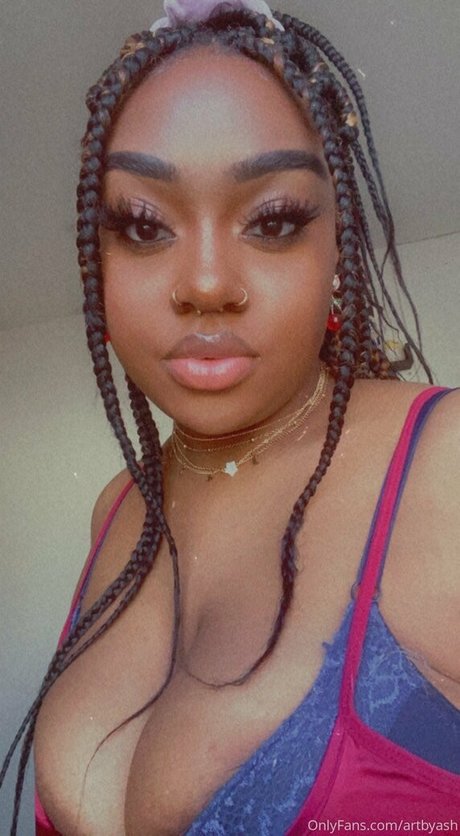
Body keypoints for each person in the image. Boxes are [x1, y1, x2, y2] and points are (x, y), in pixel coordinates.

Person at [1, 1, 459, 833]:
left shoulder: (447, 465)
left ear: (337, 251)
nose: (206, 282)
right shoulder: (117, 511)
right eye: (143, 226)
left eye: (273, 221)